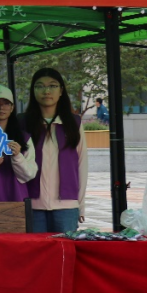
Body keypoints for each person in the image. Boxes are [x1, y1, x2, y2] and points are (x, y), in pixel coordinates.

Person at [25, 68, 88, 233]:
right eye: (40, 86)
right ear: (33, 91)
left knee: (64, 248)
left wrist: (80, 204)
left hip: (66, 207)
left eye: (52, 86)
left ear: (61, 91)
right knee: (35, 249)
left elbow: (82, 164)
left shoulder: (73, 123)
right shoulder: (23, 123)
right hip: (32, 205)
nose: (46, 91)